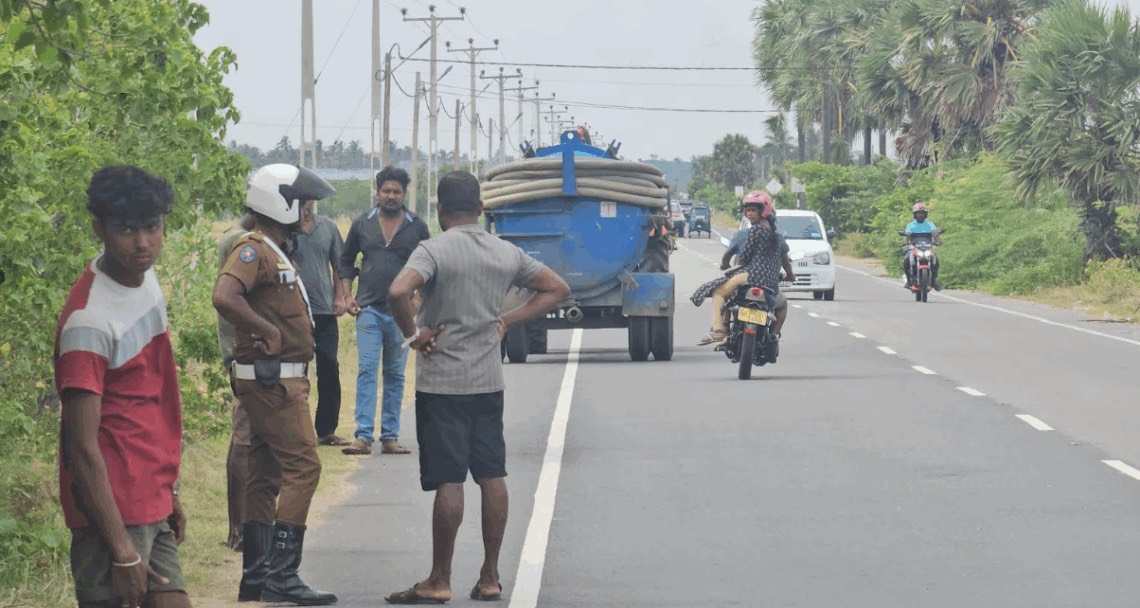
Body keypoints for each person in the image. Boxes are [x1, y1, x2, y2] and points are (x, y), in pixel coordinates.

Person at [383, 171, 570, 604]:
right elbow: (556, 288)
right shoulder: (505, 252)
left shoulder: (432, 249)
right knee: (491, 474)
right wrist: (508, 319)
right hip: (488, 382)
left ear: (440, 210)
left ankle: (439, 579)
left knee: (449, 478)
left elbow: (397, 291)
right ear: (481, 209)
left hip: (442, 383)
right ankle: (489, 576)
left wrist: (414, 335)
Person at [55, 165, 190, 608]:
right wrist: (122, 551)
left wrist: (169, 492)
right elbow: (82, 447)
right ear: (100, 228)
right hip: (110, 514)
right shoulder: (88, 321)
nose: (142, 243)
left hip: (151, 494)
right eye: (126, 229)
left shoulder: (146, 281)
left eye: (151, 227)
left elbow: (152, 402)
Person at [211, 163, 338, 605]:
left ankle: (257, 578)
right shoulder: (254, 250)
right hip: (274, 385)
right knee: (305, 468)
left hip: (275, 383)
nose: (311, 212)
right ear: (279, 203)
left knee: (264, 476)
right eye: (305, 204)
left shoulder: (275, 249)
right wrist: (266, 331)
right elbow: (225, 297)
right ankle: (283, 576)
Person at [338, 166, 431, 456]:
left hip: (402, 316)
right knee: (367, 370)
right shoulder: (361, 224)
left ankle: (390, 436)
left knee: (395, 373)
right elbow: (346, 260)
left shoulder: (417, 226)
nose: (391, 196)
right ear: (378, 192)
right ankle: (363, 437)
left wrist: (418, 298)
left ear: (404, 195)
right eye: (386, 191)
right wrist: (346, 294)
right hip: (368, 310)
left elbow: (431, 265)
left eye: (397, 192)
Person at [691, 190, 794, 346]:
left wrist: (731, 268)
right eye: (748, 210)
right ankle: (773, 336)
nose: (750, 214)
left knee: (718, 292)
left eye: (753, 210)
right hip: (771, 285)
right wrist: (790, 276)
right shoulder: (778, 237)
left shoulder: (754, 231)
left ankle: (719, 330)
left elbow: (744, 257)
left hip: (750, 277)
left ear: (763, 211)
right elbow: (786, 262)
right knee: (783, 304)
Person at [216, 212, 257, 553]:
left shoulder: (241, 238)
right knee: (244, 440)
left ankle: (242, 527)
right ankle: (240, 530)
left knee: (247, 439)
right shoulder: (242, 243)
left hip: (246, 356)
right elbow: (230, 298)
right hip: (247, 357)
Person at [294, 199, 349, 446]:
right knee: (296, 370)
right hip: (293, 312)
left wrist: (340, 296)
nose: (306, 204)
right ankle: (297, 430)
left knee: (328, 366)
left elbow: (340, 265)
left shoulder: (327, 227)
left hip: (324, 312)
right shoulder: (285, 228)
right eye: (301, 199)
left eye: (309, 200)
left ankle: (326, 430)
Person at [902, 202, 942, 290]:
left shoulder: (930, 224)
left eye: (922, 213)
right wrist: (905, 242)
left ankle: (933, 281)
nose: (920, 215)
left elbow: (935, 234)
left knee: (935, 260)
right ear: (915, 214)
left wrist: (938, 241)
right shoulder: (910, 225)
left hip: (928, 247)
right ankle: (909, 281)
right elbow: (906, 235)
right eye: (918, 213)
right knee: (906, 259)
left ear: (925, 214)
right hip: (914, 247)